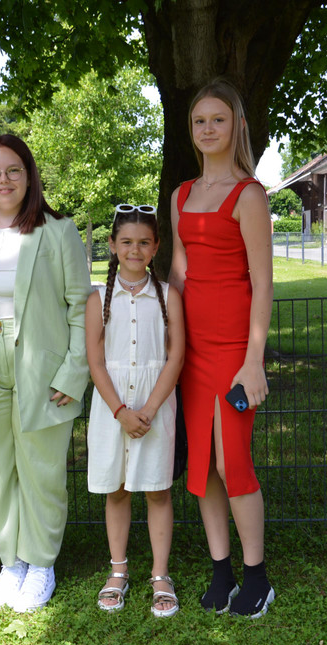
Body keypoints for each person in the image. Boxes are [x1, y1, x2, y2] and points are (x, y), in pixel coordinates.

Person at [0, 134, 91, 613]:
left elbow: (81, 306)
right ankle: (11, 562)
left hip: (41, 363)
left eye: (13, 170)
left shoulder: (58, 231)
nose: (4, 180)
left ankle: (41, 563)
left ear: (29, 175)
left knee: (42, 469)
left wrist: (73, 373)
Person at [168, 79, 276, 618]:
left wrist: (254, 361)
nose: (207, 129)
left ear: (237, 126)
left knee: (233, 462)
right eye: (199, 121)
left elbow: (264, 284)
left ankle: (257, 577)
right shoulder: (181, 195)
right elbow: (179, 273)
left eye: (218, 119)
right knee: (202, 466)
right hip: (191, 352)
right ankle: (222, 571)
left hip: (234, 351)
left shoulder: (249, 195)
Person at [85, 204, 185, 617]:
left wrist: (149, 408)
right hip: (113, 409)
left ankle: (160, 574)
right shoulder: (97, 299)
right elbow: (95, 361)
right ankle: (118, 570)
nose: (134, 250)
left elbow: (175, 357)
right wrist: (121, 411)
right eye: (126, 242)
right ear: (112, 245)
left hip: (155, 406)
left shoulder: (168, 296)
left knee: (158, 490)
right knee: (118, 489)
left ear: (156, 246)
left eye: (144, 242)